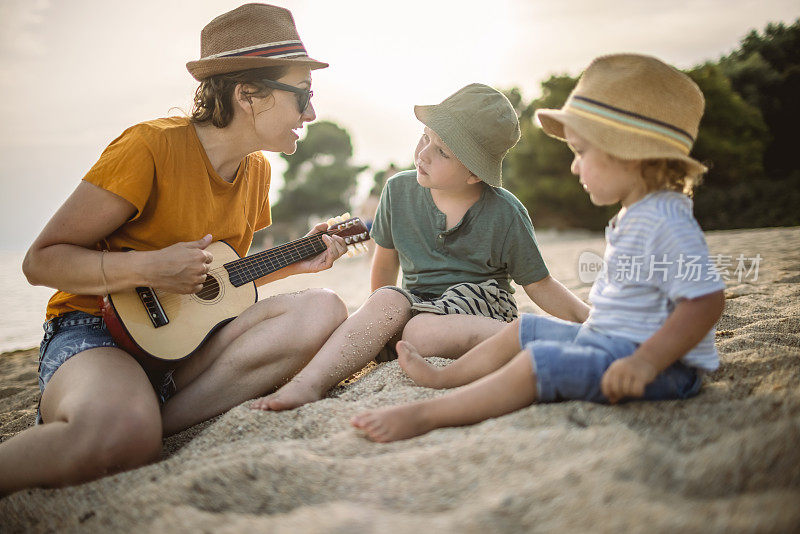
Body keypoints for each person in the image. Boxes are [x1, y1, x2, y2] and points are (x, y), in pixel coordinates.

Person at [0, 4, 349, 496]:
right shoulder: (149, 148)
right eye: (303, 96)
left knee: (324, 309)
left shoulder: (257, 173)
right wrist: (149, 267)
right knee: (121, 435)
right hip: (97, 331)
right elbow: (41, 260)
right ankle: (120, 415)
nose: (311, 113)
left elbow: (214, 284)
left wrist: (292, 264)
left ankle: (142, 416)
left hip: (184, 347)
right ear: (249, 94)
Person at [351, 54, 726, 442]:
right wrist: (590, 318)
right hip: (610, 342)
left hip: (659, 368)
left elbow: (706, 301)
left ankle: (430, 415)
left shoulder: (667, 220)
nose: (574, 167)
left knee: (538, 363)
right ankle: (445, 377)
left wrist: (647, 362)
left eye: (581, 152)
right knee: (522, 330)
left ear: (628, 154)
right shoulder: (640, 214)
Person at [252, 83, 589, 412]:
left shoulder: (505, 212)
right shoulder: (398, 191)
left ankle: (527, 338)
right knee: (387, 302)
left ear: (474, 173)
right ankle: (309, 383)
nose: (423, 154)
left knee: (420, 332)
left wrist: (589, 320)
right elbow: (384, 267)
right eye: (425, 137)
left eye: (441, 151)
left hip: (480, 304)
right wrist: (381, 321)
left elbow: (540, 284)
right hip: (419, 303)